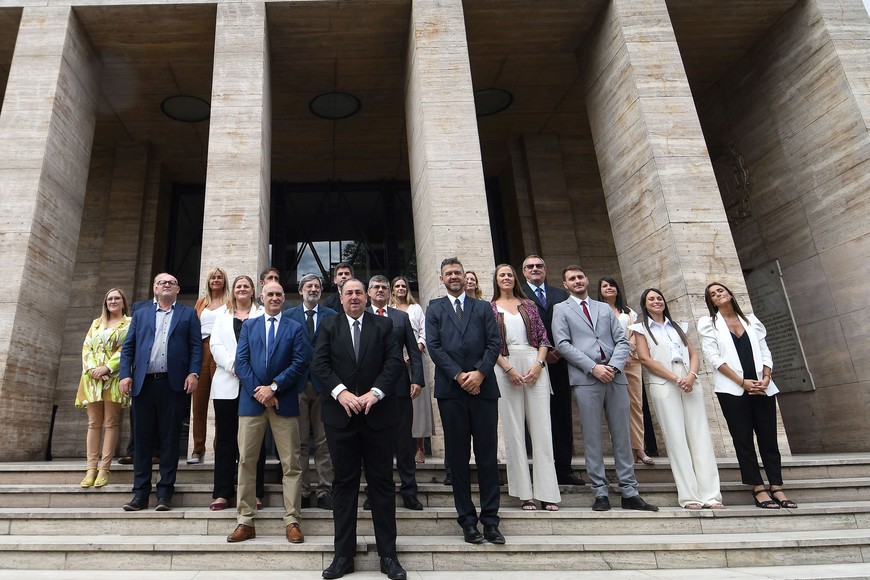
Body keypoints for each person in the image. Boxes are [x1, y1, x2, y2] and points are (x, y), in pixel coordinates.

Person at [312, 278, 406, 580]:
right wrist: (341, 392)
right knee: (344, 486)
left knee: (381, 485)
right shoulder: (328, 327)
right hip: (341, 419)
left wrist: (374, 393)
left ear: (367, 297)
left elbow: (393, 364)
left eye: (359, 293)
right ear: (340, 298)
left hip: (378, 417)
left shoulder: (384, 326)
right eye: (348, 293)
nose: (354, 297)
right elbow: (320, 365)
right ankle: (343, 556)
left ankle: (388, 556)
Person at [551, 265, 658, 512]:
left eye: (580, 277)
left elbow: (621, 341)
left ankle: (630, 492)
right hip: (586, 378)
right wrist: (593, 367)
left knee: (622, 436)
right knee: (592, 438)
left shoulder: (603, 308)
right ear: (565, 285)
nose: (577, 281)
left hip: (615, 377)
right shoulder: (561, 309)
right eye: (571, 279)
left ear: (586, 279)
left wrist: (613, 367)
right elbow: (563, 344)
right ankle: (600, 492)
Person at [698, 282, 797, 510]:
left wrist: (767, 376)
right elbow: (713, 358)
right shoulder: (709, 324)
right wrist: (741, 382)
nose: (717, 295)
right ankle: (758, 488)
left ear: (730, 294)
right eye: (712, 294)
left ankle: (777, 486)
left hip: (762, 386)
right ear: (711, 302)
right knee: (743, 440)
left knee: (768, 438)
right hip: (732, 389)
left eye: (720, 290)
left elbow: (765, 351)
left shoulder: (751, 320)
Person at [426, 258, 504, 544]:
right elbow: (433, 346)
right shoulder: (434, 308)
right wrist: (460, 376)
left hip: (483, 390)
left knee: (487, 457)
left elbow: (494, 343)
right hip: (451, 391)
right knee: (458, 458)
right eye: (449, 273)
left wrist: (480, 374)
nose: (454, 277)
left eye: (458, 272)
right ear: (441, 277)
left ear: (465, 276)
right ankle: (467, 521)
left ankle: (491, 521)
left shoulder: (483, 307)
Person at [226, 281, 308, 543]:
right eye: (269, 294)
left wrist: (273, 388)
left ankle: (292, 520)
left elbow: (299, 362)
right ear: (261, 298)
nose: (274, 298)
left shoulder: (294, 328)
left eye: (278, 294)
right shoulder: (249, 326)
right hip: (251, 403)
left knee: (291, 464)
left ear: (284, 298)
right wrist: (259, 392)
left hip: (283, 403)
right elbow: (241, 362)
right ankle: (245, 521)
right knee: (247, 461)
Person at [631, 288, 723, 509]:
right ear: (645, 304)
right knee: (676, 439)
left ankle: (711, 495)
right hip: (664, 383)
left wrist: (691, 376)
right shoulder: (640, 328)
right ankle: (690, 496)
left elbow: (693, 354)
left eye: (659, 298)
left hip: (689, 381)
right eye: (651, 299)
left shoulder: (678, 326)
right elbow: (645, 358)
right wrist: (675, 378)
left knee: (700, 436)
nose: (656, 301)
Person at [119, 273, 202, 511]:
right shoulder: (141, 314)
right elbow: (129, 347)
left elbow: (196, 347)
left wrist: (193, 373)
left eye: (172, 282)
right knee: (142, 441)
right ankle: (140, 495)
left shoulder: (188, 314)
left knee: (169, 440)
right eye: (162, 282)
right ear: (155, 288)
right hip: (143, 384)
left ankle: (165, 494)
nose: (167, 285)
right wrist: (126, 374)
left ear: (177, 289)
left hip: (173, 385)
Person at [490, 264, 560, 511]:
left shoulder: (528, 304)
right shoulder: (490, 307)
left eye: (509, 274)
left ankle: (548, 492)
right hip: (505, 365)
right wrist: (508, 369)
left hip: (534, 362)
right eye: (502, 275)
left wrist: (539, 364)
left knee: (542, 428)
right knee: (513, 430)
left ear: (514, 278)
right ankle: (524, 493)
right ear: (496, 280)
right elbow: (490, 344)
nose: (507, 278)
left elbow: (543, 338)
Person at [521, 255, 584, 486]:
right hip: (532, 363)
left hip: (560, 362)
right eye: (530, 267)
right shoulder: (519, 295)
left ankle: (564, 469)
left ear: (545, 270)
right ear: (524, 272)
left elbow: (572, 325)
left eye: (539, 266)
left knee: (561, 415)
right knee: (535, 416)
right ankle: (540, 470)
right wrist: (543, 353)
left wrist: (560, 351)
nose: (535, 269)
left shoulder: (560, 295)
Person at [208, 275, 267, 511]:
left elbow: (265, 345)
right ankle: (222, 492)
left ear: (253, 291)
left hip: (254, 385)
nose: (242, 289)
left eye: (246, 286)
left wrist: (248, 371)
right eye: (238, 286)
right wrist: (236, 366)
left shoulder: (261, 314)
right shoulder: (222, 316)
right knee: (225, 440)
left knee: (255, 441)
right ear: (233, 291)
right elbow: (215, 345)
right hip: (227, 383)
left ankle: (255, 492)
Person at [368, 274, 425, 510]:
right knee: (374, 444)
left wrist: (417, 380)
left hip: (400, 387)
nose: (380, 290)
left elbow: (413, 349)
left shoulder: (401, 318)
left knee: (403, 442)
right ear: (368, 292)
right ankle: (375, 492)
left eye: (384, 287)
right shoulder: (362, 315)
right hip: (370, 390)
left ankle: (409, 491)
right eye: (376, 287)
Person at [286, 273, 337, 510]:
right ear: (300, 290)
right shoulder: (289, 316)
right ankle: (303, 491)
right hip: (296, 385)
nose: (314, 289)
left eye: (317, 286)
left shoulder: (332, 316)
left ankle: (325, 489)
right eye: (309, 286)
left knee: (324, 441)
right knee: (299, 442)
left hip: (324, 387)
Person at [77, 287, 132, 488]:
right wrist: (92, 369)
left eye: (117, 298)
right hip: (92, 378)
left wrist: (107, 367)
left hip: (114, 377)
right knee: (93, 423)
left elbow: (126, 348)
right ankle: (90, 468)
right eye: (109, 298)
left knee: (111, 422)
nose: (113, 301)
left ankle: (104, 468)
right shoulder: (96, 324)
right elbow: (86, 347)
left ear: (123, 302)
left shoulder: (129, 323)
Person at [598, 277, 654, 465]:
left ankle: (639, 448)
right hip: (610, 365)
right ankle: (623, 450)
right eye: (604, 286)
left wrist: (627, 354)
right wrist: (616, 359)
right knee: (615, 408)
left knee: (635, 405)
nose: (609, 288)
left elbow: (636, 336)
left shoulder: (628, 312)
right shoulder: (598, 310)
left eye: (611, 285)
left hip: (632, 362)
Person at [189, 267, 231, 464]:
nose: (216, 280)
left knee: (221, 402)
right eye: (213, 277)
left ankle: (219, 447)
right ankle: (198, 449)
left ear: (224, 281)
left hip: (220, 352)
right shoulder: (201, 302)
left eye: (219, 277)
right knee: (199, 403)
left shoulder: (229, 302)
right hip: (202, 350)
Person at [390, 275, 432, 464]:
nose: (400, 288)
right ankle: (396, 446)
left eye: (403, 286)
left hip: (415, 356)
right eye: (397, 286)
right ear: (392, 289)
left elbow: (424, 331)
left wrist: (417, 350)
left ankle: (420, 447)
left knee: (418, 405)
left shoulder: (416, 308)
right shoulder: (388, 310)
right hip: (395, 360)